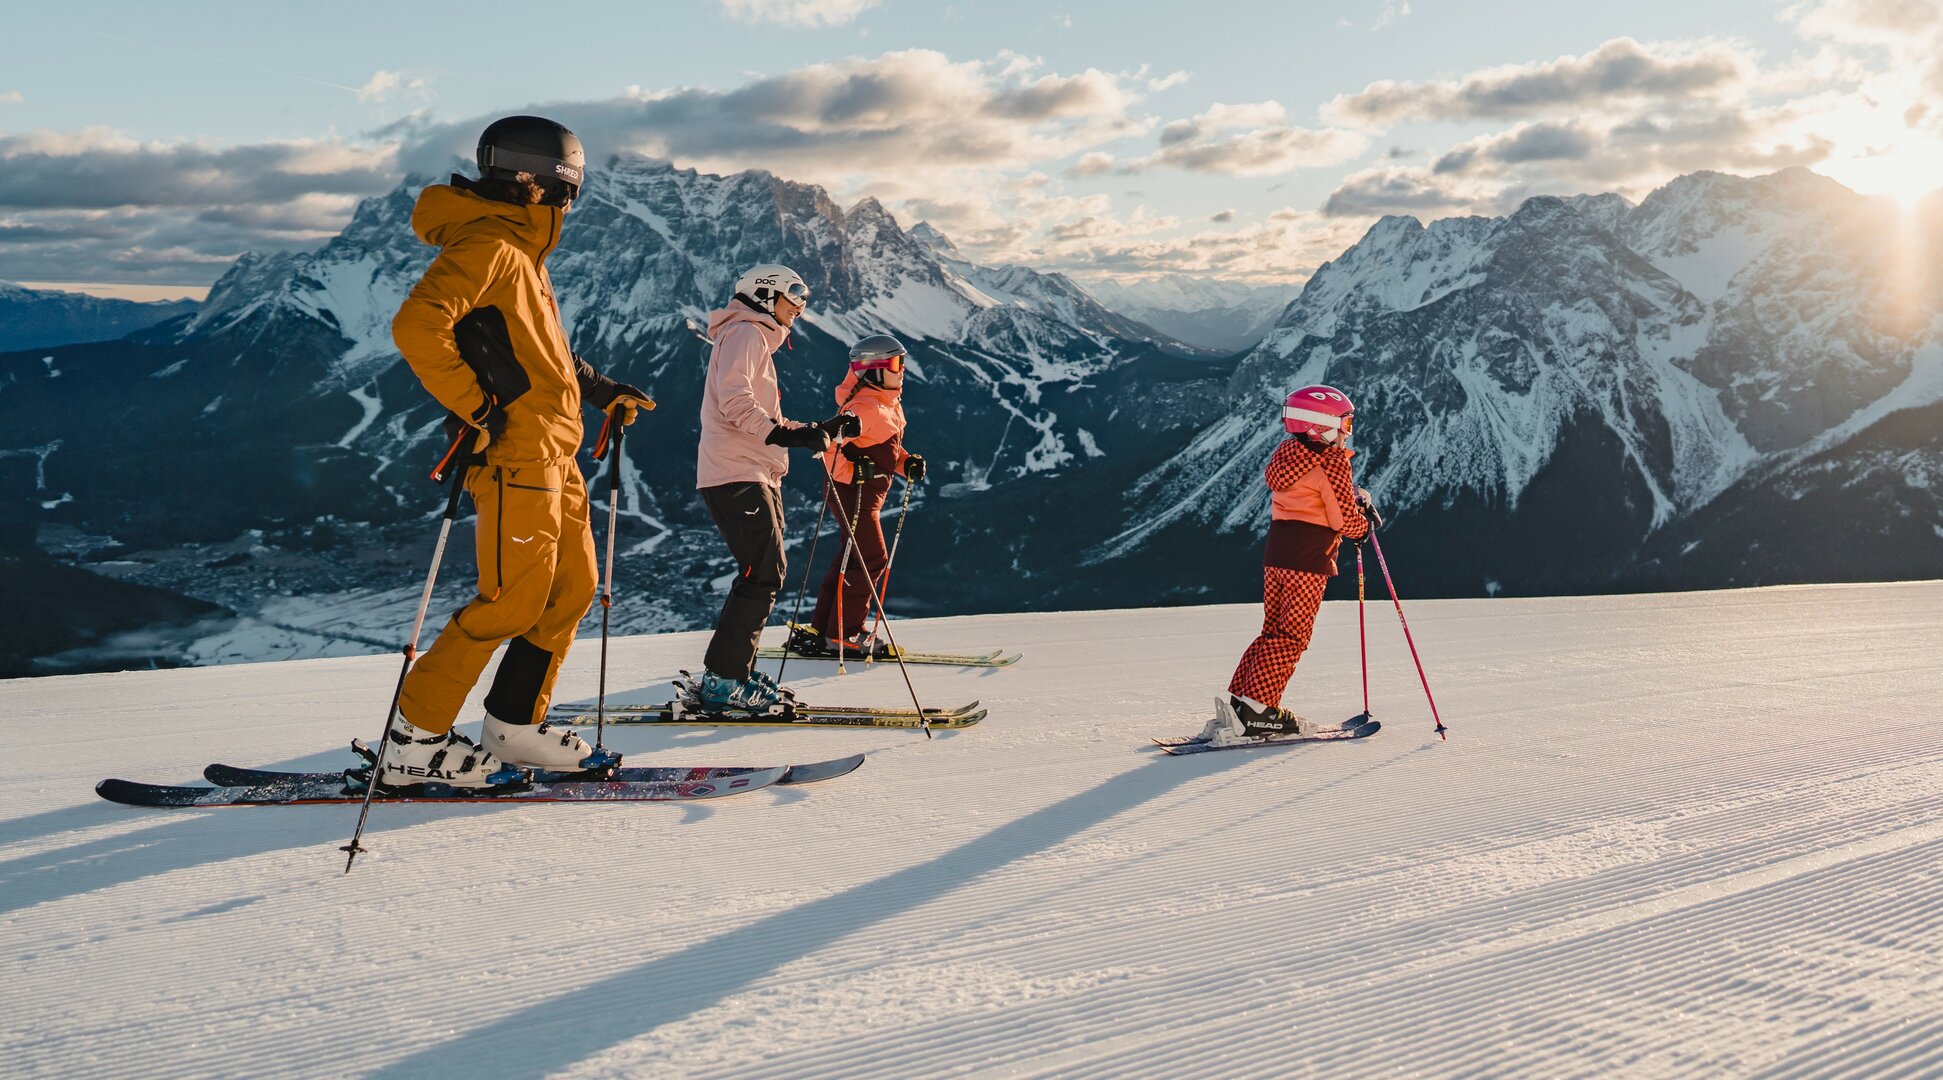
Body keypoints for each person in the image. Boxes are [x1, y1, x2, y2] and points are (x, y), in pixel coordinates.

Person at [382, 115, 652, 787]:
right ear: (538, 184)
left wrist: (600, 388)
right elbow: (417, 326)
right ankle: (413, 744)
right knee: (507, 603)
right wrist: (476, 408)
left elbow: (538, 352)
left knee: (570, 590)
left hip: (552, 454)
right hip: (515, 458)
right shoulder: (491, 247)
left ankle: (513, 726)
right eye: (568, 189)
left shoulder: (519, 253)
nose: (571, 203)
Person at [696, 264, 858, 710]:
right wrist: (786, 436)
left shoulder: (752, 338)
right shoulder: (746, 333)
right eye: (794, 293)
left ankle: (733, 673)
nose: (802, 304)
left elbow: (762, 416)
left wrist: (819, 430)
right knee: (763, 572)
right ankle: (723, 682)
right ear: (766, 295)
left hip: (753, 470)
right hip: (736, 471)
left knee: (764, 572)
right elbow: (735, 404)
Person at [1201, 384, 1378, 746]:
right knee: (1292, 637)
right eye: (1344, 424)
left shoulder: (1290, 454)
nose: (1347, 432)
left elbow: (1313, 494)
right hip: (1308, 560)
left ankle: (1241, 705)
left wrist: (1352, 496)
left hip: (1278, 555)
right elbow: (1343, 518)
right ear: (1321, 426)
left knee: (1273, 632)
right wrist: (1366, 523)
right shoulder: (1330, 462)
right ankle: (1260, 713)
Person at [786, 334, 926, 659]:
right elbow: (829, 439)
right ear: (873, 370)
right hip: (852, 494)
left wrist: (905, 463)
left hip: (864, 495)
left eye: (902, 362)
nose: (902, 369)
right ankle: (844, 635)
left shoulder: (885, 402)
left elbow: (882, 446)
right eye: (895, 363)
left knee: (851, 557)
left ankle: (822, 630)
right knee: (871, 558)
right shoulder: (867, 406)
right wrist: (851, 471)